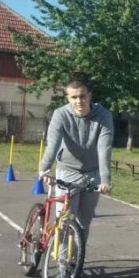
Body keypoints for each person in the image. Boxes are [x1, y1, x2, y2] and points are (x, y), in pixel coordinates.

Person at [39, 74, 113, 256]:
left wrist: (105, 179)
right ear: (68, 98)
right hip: (67, 171)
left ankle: (76, 263)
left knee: (83, 224)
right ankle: (63, 262)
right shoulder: (61, 114)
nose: (79, 101)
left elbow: (104, 149)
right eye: (74, 97)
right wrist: (44, 169)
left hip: (93, 173)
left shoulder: (103, 116)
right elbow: (53, 144)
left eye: (82, 96)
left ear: (89, 95)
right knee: (65, 221)